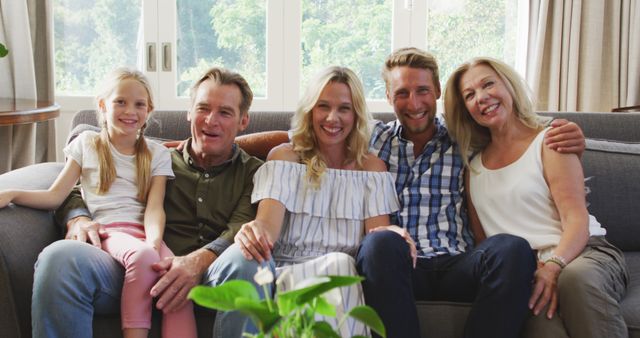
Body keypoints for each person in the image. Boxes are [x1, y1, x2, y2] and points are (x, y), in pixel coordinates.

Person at [354, 47, 588, 338]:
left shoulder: (466, 136)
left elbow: (515, 132)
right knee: (379, 243)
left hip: (460, 263)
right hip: (401, 263)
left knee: (513, 248)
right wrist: (278, 141)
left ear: (438, 91)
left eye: (423, 90)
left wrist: (572, 136)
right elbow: (312, 134)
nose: (414, 103)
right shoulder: (370, 137)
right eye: (402, 93)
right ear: (388, 97)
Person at [30, 67, 274, 338]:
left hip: (214, 274)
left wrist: (194, 264)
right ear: (189, 113)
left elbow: (239, 227)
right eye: (203, 108)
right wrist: (78, 217)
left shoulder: (255, 172)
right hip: (139, 270)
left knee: (253, 261)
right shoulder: (157, 159)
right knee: (59, 257)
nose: (211, 120)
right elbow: (79, 186)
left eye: (225, 113)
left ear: (243, 121)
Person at [0, 68, 196, 338]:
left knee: (179, 285)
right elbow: (55, 196)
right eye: (120, 102)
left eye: (139, 104)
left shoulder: (156, 153)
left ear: (149, 110)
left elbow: (154, 208)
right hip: (109, 232)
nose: (130, 111)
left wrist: (153, 241)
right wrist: (11, 194)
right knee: (143, 257)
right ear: (103, 105)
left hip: (144, 236)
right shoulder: (87, 144)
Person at [443, 57, 629, 338]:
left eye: (488, 84)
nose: (481, 97)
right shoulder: (473, 169)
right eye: (470, 95)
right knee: (544, 328)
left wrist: (555, 265)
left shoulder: (551, 141)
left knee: (575, 281)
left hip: (581, 253)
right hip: (529, 271)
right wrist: (530, 274)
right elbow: (486, 244)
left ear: (509, 86)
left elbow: (575, 218)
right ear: (466, 110)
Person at [233, 66, 402, 337]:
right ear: (310, 110)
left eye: (344, 109)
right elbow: (268, 227)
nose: (332, 118)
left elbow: (376, 239)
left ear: (356, 114)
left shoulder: (371, 168)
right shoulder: (285, 157)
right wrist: (252, 232)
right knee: (335, 269)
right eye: (323, 106)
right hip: (291, 270)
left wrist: (396, 234)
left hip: (345, 276)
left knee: (339, 265)